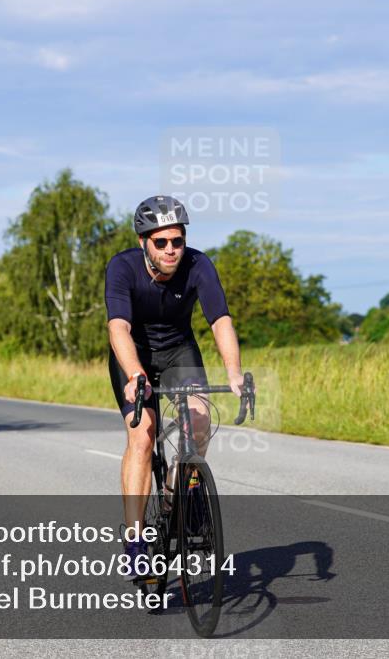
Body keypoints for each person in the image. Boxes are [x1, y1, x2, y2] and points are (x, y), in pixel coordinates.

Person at [105, 195, 245, 575]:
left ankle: (177, 494)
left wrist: (233, 371)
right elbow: (118, 327)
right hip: (134, 354)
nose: (171, 250)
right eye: (161, 242)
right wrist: (135, 374)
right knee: (143, 436)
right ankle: (135, 540)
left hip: (179, 350)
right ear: (143, 242)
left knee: (200, 420)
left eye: (177, 241)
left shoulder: (199, 265)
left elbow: (220, 320)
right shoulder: (122, 267)